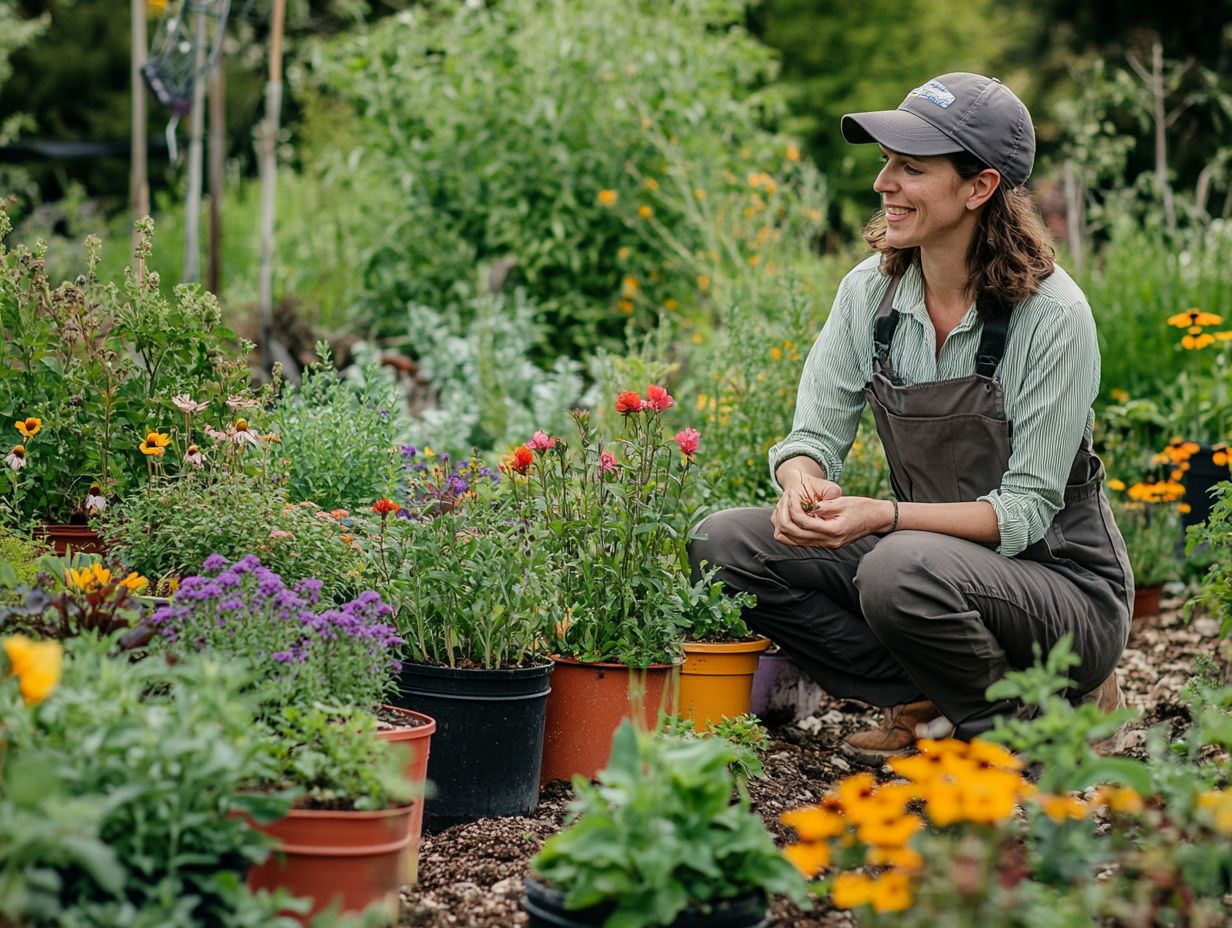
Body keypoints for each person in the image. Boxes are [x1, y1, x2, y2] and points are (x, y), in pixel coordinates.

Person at [688, 72, 1132, 764]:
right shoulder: (872, 294)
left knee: (896, 570)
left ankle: (1023, 733)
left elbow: (1022, 514)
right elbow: (811, 438)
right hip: (927, 566)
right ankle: (935, 697)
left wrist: (881, 516)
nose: (883, 183)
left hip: (1061, 589)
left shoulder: (1053, 318)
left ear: (979, 187)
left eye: (911, 168)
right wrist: (801, 484)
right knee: (725, 546)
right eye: (887, 163)